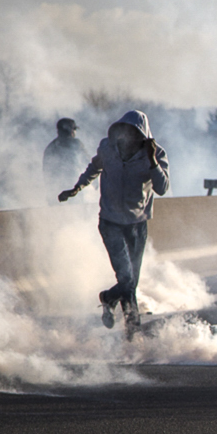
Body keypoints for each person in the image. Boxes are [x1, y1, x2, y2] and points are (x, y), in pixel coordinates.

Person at [58, 111, 170, 331]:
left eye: (132, 133)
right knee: (126, 278)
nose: (126, 138)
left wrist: (152, 160)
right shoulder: (108, 148)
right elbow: (94, 167)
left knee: (130, 284)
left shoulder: (155, 154)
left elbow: (162, 188)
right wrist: (76, 188)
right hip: (110, 221)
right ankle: (124, 316)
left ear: (142, 134)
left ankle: (120, 313)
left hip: (137, 225)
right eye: (123, 131)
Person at [42, 118, 88, 198]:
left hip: (55, 189)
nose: (75, 132)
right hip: (74, 187)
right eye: (74, 129)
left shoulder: (50, 147)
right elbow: (88, 162)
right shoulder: (76, 144)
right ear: (70, 130)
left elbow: (46, 171)